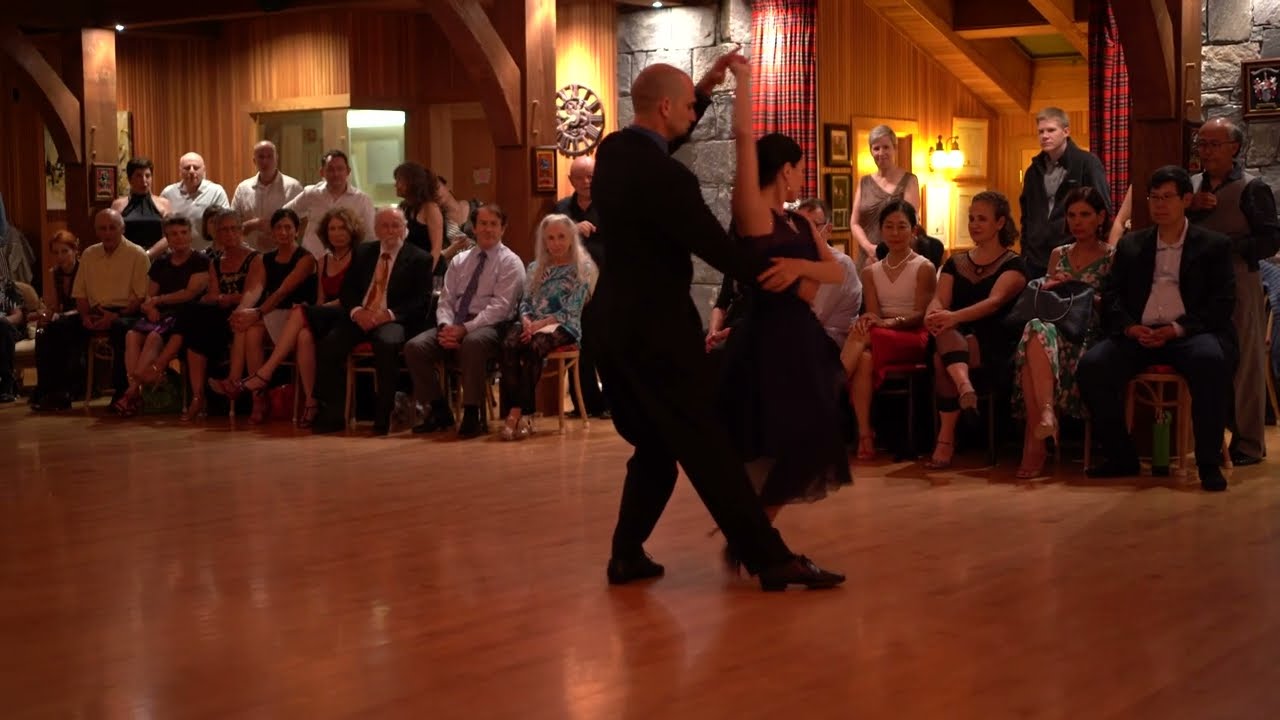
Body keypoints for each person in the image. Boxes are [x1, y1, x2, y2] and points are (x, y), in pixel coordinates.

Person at [585, 53, 843, 591]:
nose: (691, 118)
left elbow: (662, 137)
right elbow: (722, 251)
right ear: (663, 107)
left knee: (657, 446)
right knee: (708, 447)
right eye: (685, 108)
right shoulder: (670, 178)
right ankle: (769, 559)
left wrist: (700, 86)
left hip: (612, 327)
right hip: (658, 336)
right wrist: (792, 270)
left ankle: (626, 554)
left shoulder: (613, 152)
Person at [717, 66, 851, 529]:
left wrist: (797, 268)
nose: (800, 178)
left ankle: (753, 531)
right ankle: (753, 532)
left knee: (812, 439)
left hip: (800, 337)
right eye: (797, 169)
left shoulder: (799, 223)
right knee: (773, 440)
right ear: (784, 169)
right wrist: (744, 81)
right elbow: (741, 137)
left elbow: (832, 270)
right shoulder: (754, 214)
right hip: (767, 338)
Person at [1077, 166, 1236, 492]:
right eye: (1154, 198)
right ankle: (1122, 456)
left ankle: (1207, 463)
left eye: (1167, 197)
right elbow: (1113, 296)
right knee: (1093, 366)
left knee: (1211, 362)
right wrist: (1130, 328)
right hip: (1141, 332)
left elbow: (1221, 304)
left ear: (1186, 200)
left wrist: (1178, 329)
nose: (1159, 205)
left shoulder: (1213, 245)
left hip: (1189, 333)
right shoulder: (1133, 245)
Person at [1011, 187, 1114, 478]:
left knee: (1035, 343)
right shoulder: (1059, 254)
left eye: (1085, 215)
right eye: (1071, 215)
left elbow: (1113, 306)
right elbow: (1044, 300)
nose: (1077, 222)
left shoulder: (1111, 257)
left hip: (1085, 334)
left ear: (1100, 217)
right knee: (1035, 329)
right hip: (1053, 327)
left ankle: (1036, 443)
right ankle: (1045, 415)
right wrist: (1053, 284)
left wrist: (1083, 293)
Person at [923, 191, 1028, 469]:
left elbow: (994, 303)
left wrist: (952, 317)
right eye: (971, 218)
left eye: (982, 218)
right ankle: (964, 387)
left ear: (1000, 223)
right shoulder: (954, 262)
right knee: (942, 342)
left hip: (993, 339)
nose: (974, 224)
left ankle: (946, 439)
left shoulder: (1014, 264)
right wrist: (933, 313)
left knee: (942, 354)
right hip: (953, 333)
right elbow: (939, 298)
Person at [310, 207, 432, 435]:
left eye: (396, 225)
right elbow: (348, 292)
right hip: (361, 317)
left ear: (405, 229)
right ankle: (333, 412)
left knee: (386, 344)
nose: (391, 231)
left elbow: (420, 302)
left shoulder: (419, 258)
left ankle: (383, 415)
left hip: (393, 319)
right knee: (328, 345)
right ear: (376, 230)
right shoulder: (364, 252)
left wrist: (387, 315)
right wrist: (357, 312)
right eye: (385, 226)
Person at [843, 200, 936, 461]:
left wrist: (888, 323)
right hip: (880, 337)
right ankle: (865, 435)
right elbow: (873, 315)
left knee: (865, 335)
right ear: (881, 230)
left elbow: (921, 316)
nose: (895, 233)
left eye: (902, 227)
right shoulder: (871, 271)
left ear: (913, 230)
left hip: (912, 336)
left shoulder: (924, 267)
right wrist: (870, 321)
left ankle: (832, 389)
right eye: (889, 227)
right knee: (863, 357)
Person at [498, 214, 593, 440]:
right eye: (550, 238)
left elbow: (573, 308)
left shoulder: (582, 268)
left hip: (563, 325)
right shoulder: (534, 267)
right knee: (508, 344)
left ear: (571, 238)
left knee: (534, 346)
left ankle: (517, 413)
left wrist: (542, 324)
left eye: (561, 237)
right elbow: (526, 301)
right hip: (532, 322)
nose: (556, 243)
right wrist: (528, 321)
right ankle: (523, 412)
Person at [851, 125, 920, 266]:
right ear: (871, 151)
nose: (881, 153)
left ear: (895, 148)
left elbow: (911, 223)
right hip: (866, 258)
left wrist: (885, 251)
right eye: (876, 148)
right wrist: (869, 248)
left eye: (886, 147)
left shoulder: (909, 180)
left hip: (897, 259)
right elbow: (854, 222)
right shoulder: (864, 182)